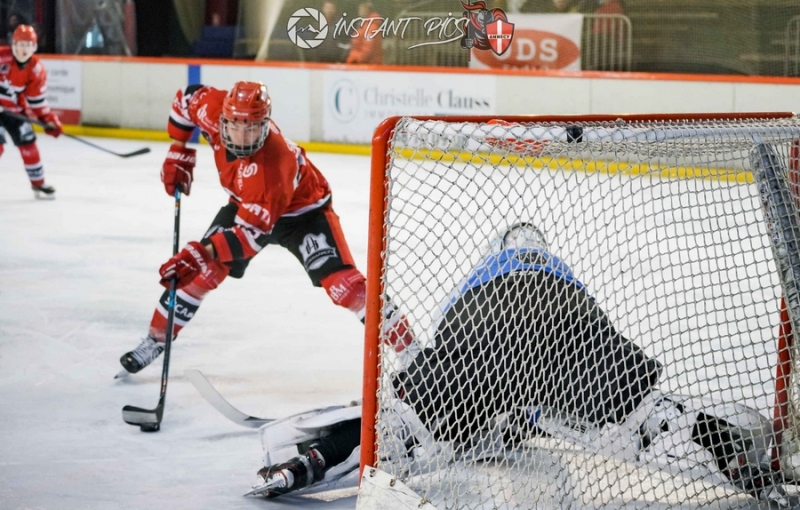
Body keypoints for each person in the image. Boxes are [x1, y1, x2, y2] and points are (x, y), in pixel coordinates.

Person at [248, 223, 784, 502]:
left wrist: (461, 410)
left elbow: (448, 353)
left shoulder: (483, 271)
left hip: (481, 328)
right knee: (653, 415)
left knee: (405, 430)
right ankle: (737, 458)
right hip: (572, 325)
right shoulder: (557, 268)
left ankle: (309, 463)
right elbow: (541, 382)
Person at [118, 81, 413, 374]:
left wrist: (200, 252)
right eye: (236, 127)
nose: (244, 137)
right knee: (199, 275)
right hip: (245, 205)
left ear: (265, 123)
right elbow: (186, 98)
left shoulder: (273, 164)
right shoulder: (210, 107)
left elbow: (249, 238)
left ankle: (412, 354)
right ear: (222, 118)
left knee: (345, 288)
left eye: (253, 129)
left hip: (303, 213)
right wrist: (178, 149)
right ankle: (155, 341)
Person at [0, 24, 63, 199]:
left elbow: (37, 100)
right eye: (21, 44)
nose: (24, 49)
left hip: (14, 110)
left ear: (34, 47)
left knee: (28, 145)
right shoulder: (1, 57)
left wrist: (48, 120)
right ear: (13, 44)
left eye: (28, 45)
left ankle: (39, 184)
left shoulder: (36, 69)